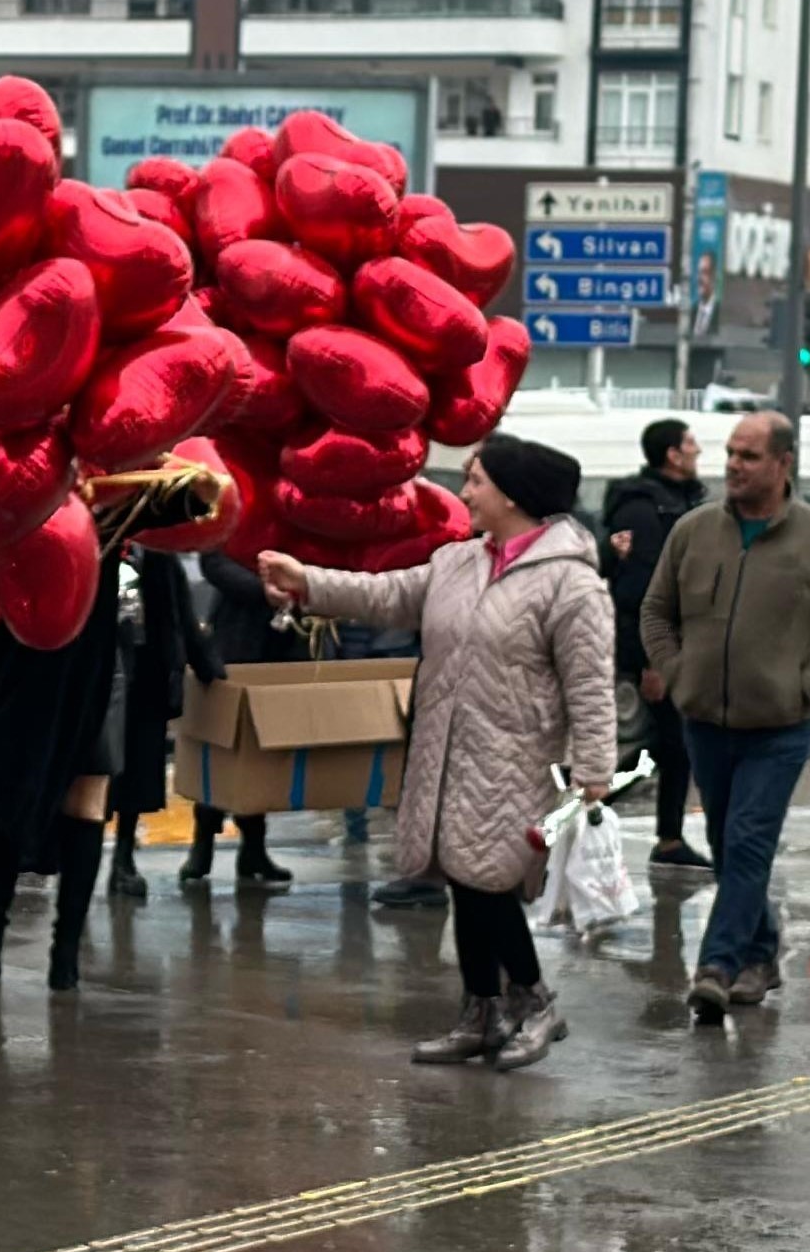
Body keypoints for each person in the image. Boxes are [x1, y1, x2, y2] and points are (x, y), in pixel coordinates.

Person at [261, 434, 611, 1069]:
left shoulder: (571, 583)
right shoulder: (459, 562)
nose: (465, 492)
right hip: (443, 751)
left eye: (475, 481)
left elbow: (589, 680)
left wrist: (593, 770)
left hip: (515, 757)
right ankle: (480, 1011)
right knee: (462, 875)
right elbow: (386, 596)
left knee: (486, 879)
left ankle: (533, 1002)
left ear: (510, 493)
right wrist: (307, 582)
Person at [642, 412, 810, 1020]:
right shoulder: (694, 531)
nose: (733, 465)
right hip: (705, 724)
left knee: (746, 841)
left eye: (748, 455)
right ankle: (763, 954)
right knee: (727, 842)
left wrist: (807, 685)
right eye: (731, 453)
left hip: (780, 726)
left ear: (783, 463)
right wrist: (678, 669)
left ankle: (718, 964)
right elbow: (656, 612)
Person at [0, 538, 134, 993]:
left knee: (77, 803)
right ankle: (8, 946)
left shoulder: (110, 497)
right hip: (35, 666)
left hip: (80, 670)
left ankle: (50, 953)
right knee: (14, 801)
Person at [602, 417, 710, 869]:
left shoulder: (683, 502)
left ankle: (664, 837)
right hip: (659, 651)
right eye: (690, 443)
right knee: (672, 744)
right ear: (672, 453)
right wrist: (653, 661)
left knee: (669, 746)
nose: (698, 450)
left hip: (683, 646)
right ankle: (588, 800)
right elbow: (642, 591)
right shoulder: (646, 508)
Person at [181, 550, 295, 890]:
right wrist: (265, 588)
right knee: (221, 747)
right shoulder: (238, 511)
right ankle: (203, 843)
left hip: (279, 646)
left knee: (262, 752)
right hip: (233, 645)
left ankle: (254, 848)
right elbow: (213, 561)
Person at [105, 550, 208, 900]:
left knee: (136, 771)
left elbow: (180, 613)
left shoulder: (160, 553)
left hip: (148, 673)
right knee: (90, 770)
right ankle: (77, 860)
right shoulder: (97, 539)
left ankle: (123, 858)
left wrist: (205, 665)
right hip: (98, 668)